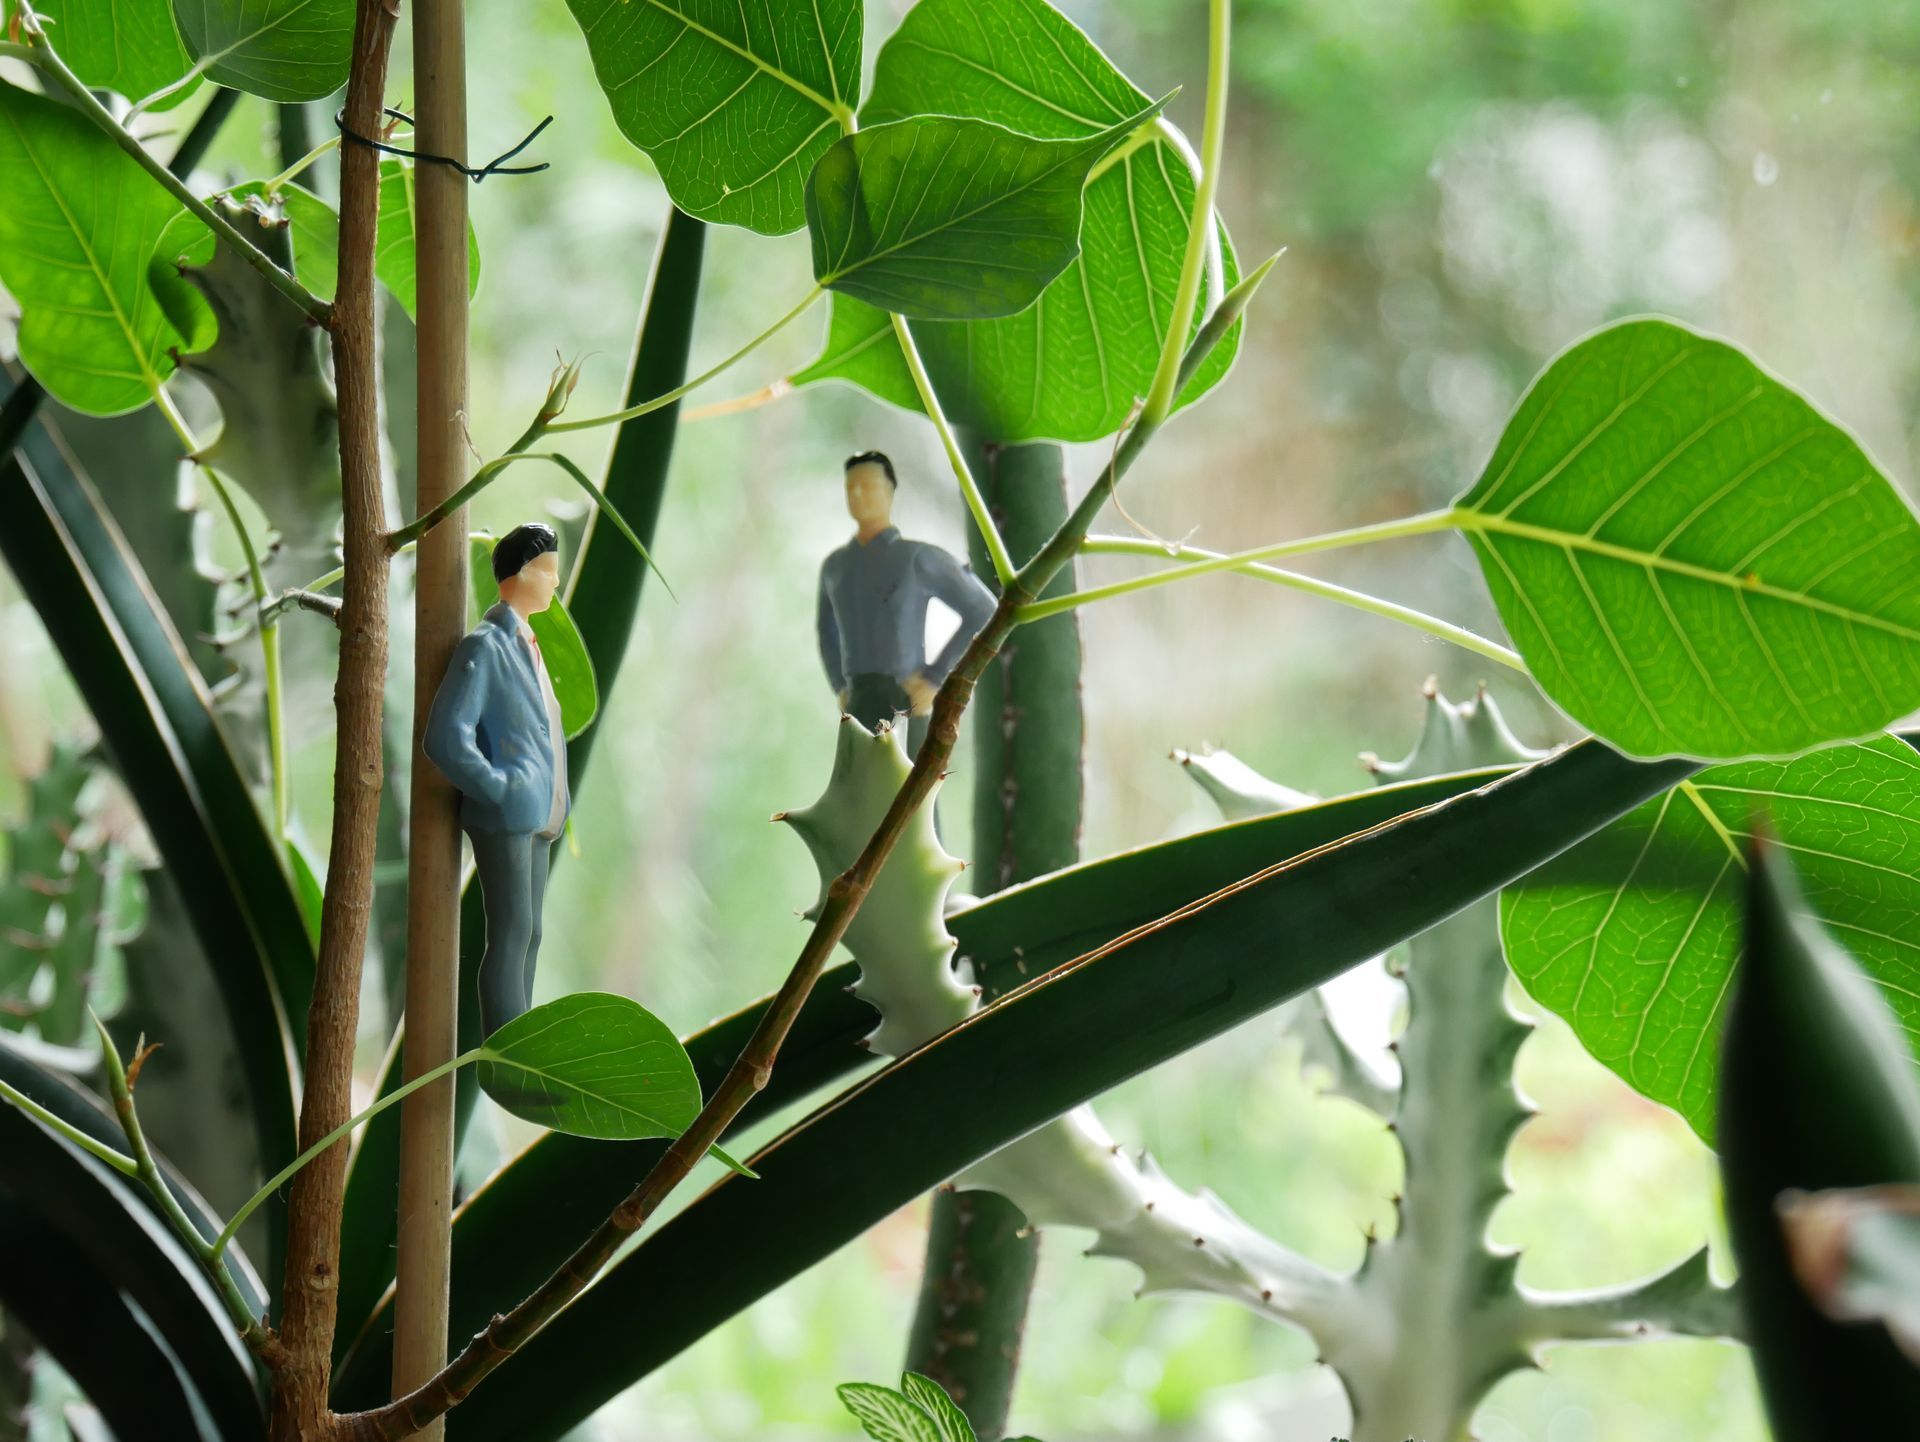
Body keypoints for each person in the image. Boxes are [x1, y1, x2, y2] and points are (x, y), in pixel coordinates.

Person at [423, 523, 569, 1038]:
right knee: (510, 934)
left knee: (531, 934)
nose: (555, 581)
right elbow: (446, 736)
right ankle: (505, 1053)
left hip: (539, 812)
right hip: (509, 811)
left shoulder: (531, 645)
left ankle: (522, 1044)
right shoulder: (487, 645)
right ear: (521, 574)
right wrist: (497, 786)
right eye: (547, 571)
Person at [816, 451, 998, 739]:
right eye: (851, 487)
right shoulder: (835, 566)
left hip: (906, 696)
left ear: (890, 491)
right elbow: (826, 631)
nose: (858, 494)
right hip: (856, 698)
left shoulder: (916, 557)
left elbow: (983, 609)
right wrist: (839, 684)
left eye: (868, 486)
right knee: (859, 766)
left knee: (910, 765)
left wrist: (936, 676)